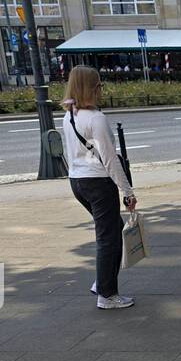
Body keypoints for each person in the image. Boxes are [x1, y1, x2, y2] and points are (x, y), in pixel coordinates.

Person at [61, 65, 138, 310]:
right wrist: (128, 191)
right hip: (98, 183)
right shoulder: (96, 118)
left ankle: (102, 282)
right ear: (93, 88)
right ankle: (107, 295)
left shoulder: (69, 115)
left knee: (112, 229)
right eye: (99, 86)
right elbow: (109, 159)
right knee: (108, 238)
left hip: (77, 182)